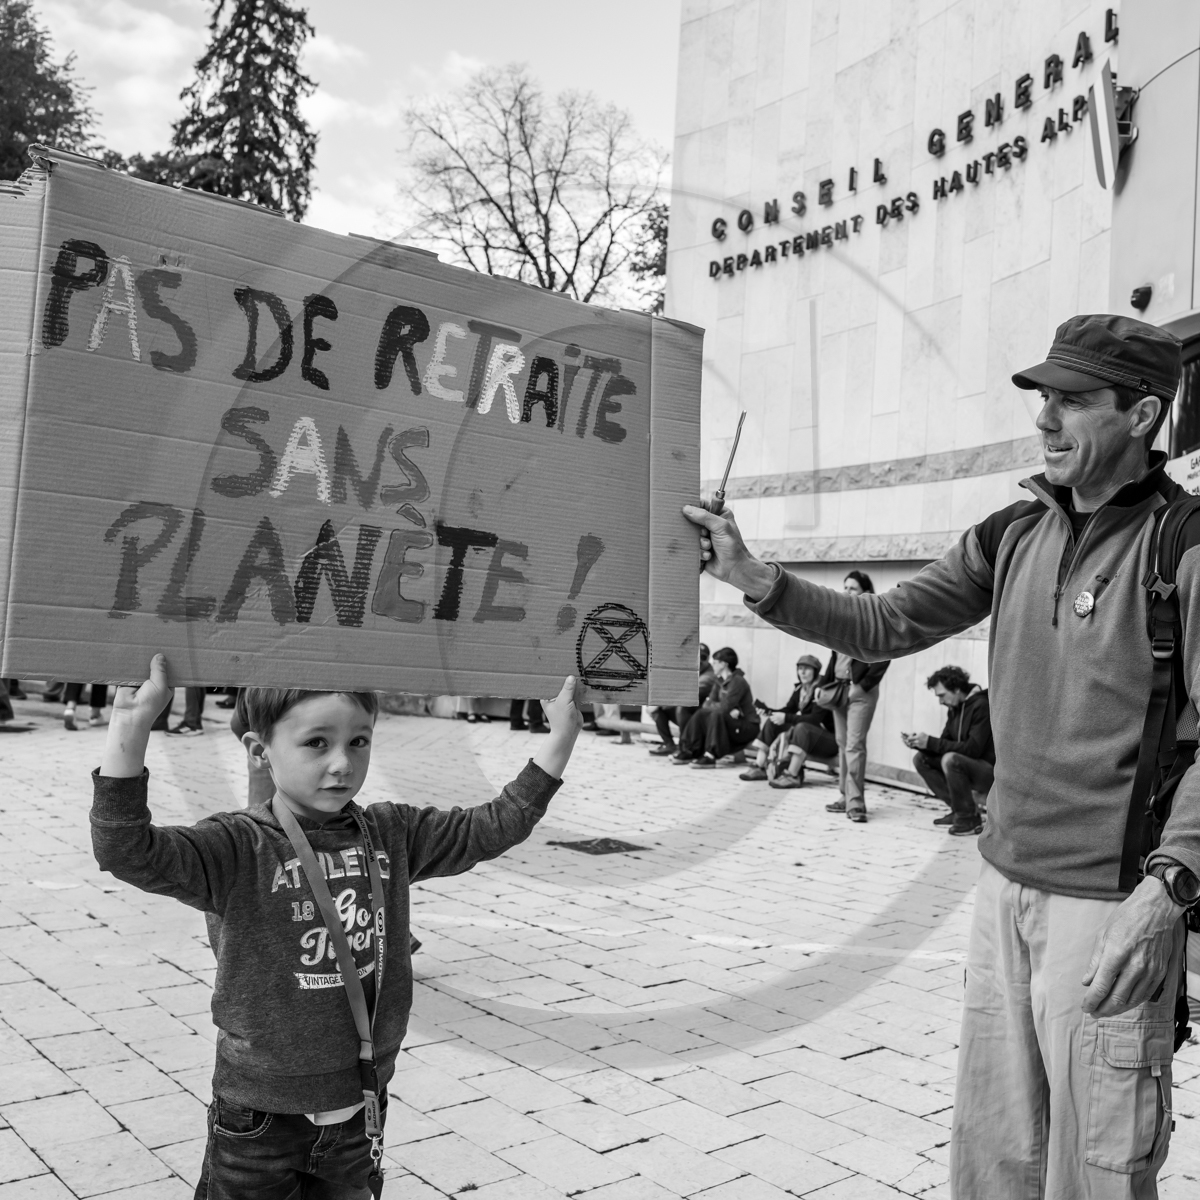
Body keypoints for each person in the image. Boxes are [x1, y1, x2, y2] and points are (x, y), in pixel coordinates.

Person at [684, 314, 1200, 1197]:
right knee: (993, 1158)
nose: (1044, 419)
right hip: (1000, 886)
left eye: (1074, 401)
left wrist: (1169, 890)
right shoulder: (1011, 533)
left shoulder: (1184, 546)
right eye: (1043, 398)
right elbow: (886, 623)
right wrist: (753, 576)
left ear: (1142, 415)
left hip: (1112, 904)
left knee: (1097, 1175)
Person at [91, 655, 582, 1199]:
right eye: (317, 743)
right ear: (259, 750)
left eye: (359, 741)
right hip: (260, 1116)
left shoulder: (393, 833)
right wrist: (130, 727)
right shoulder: (236, 846)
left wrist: (560, 739)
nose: (342, 763)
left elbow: (493, 826)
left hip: (361, 1106)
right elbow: (125, 849)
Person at [816, 572, 889, 822]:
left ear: (865, 592)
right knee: (842, 743)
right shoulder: (841, 620)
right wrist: (822, 684)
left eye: (853, 588)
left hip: (860, 692)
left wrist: (863, 685)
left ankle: (856, 803)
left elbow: (885, 655)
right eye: (845, 587)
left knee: (854, 745)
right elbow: (834, 657)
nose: (846, 592)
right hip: (838, 690)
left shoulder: (874, 620)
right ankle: (844, 796)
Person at [905, 665, 994, 836]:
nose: (940, 702)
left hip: (988, 772)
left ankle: (968, 818)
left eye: (942, 695)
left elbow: (973, 749)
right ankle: (958, 810)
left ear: (957, 689)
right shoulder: (955, 708)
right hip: (966, 766)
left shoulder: (981, 705)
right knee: (920, 759)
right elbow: (945, 743)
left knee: (950, 759)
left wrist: (930, 742)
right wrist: (920, 744)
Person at [739, 654, 824, 779]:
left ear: (815, 671)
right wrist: (770, 711)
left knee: (801, 728)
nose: (802, 672)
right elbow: (788, 710)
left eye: (807, 669)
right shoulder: (800, 689)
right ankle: (759, 766)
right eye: (800, 668)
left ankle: (791, 775)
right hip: (806, 731)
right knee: (772, 722)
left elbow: (815, 719)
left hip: (823, 736)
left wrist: (785, 718)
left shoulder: (821, 689)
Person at [674, 647, 759, 768]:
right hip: (731, 721)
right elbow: (707, 705)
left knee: (716, 714)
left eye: (715, 662)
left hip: (747, 726)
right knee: (701, 713)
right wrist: (723, 708)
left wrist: (721, 707)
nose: (712, 665)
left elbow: (724, 708)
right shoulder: (719, 681)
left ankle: (710, 755)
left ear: (724, 664)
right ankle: (690, 750)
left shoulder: (738, 681)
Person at [649, 643, 716, 757]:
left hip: (700, 718)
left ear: (708, 659)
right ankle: (669, 745)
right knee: (658, 710)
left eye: (703, 657)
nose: (699, 660)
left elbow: (688, 694)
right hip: (688, 714)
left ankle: (684, 747)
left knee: (682, 707)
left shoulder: (709, 676)